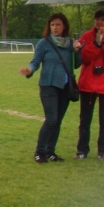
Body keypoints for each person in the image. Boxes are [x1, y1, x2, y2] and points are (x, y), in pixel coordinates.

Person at [19, 13, 80, 163]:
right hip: (48, 85)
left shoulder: (70, 43)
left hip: (65, 86)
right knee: (51, 119)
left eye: (58, 24)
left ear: (64, 26)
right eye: (52, 25)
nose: (55, 28)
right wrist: (30, 70)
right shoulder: (44, 43)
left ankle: (51, 151)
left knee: (58, 120)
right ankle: (40, 152)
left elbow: (77, 64)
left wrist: (77, 50)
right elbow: (35, 61)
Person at [72, 8, 104, 161]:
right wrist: (95, 42)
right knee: (85, 120)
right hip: (88, 84)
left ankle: (103, 152)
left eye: (103, 20)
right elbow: (85, 58)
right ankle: (82, 150)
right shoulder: (87, 36)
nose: (100, 22)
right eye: (97, 19)